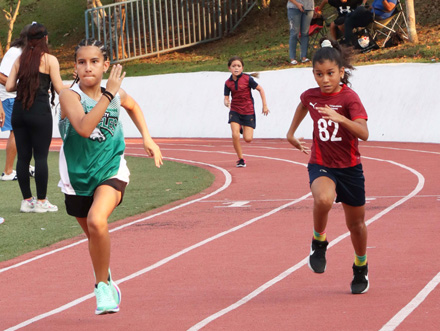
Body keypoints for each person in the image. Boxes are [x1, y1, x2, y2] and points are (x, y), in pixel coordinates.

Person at [58, 39, 163, 315]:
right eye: (82, 62)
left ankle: (102, 287)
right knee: (94, 235)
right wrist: (109, 95)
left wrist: (147, 138)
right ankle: (106, 274)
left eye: (94, 61)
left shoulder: (115, 93)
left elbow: (133, 106)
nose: (88, 67)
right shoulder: (69, 96)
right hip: (77, 176)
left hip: (111, 169)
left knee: (96, 220)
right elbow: (82, 127)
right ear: (75, 67)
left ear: (106, 65)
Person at [286, 38, 369, 294]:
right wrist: (291, 133)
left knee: (356, 225)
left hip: (350, 168)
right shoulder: (311, 96)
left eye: (330, 73)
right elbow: (303, 104)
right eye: (318, 74)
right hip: (322, 163)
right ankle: (319, 241)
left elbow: (364, 133)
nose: (324, 80)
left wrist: (340, 118)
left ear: (341, 72)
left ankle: (360, 266)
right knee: (323, 199)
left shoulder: (349, 98)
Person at [6, 22, 65, 213]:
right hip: (39, 111)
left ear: (27, 40)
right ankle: (41, 202)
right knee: (40, 157)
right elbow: (59, 88)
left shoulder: (20, 59)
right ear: (45, 39)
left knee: (23, 157)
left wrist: (24, 86)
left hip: (19, 111)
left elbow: (8, 87)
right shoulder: (50, 60)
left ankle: (27, 201)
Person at [0, 24, 34, 181]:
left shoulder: (27, 52)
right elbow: (1, 76)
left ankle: (23, 165)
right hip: (10, 96)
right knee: (16, 131)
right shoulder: (14, 52)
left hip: (18, 96)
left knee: (24, 132)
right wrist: (22, 87)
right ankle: (8, 171)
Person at [224, 56, 269, 167]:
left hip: (248, 110)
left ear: (242, 68)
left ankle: (242, 127)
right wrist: (226, 102)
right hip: (235, 110)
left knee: (248, 139)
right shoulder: (227, 83)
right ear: (229, 68)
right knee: (235, 135)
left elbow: (261, 89)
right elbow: (226, 97)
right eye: (234, 66)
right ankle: (241, 159)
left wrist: (265, 106)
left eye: (238, 66)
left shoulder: (247, 79)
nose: (236, 68)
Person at [287, 0, 315, 65]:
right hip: (294, 8)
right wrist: (297, 4)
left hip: (309, 8)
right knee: (294, 33)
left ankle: (304, 57)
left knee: (305, 33)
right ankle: (292, 58)